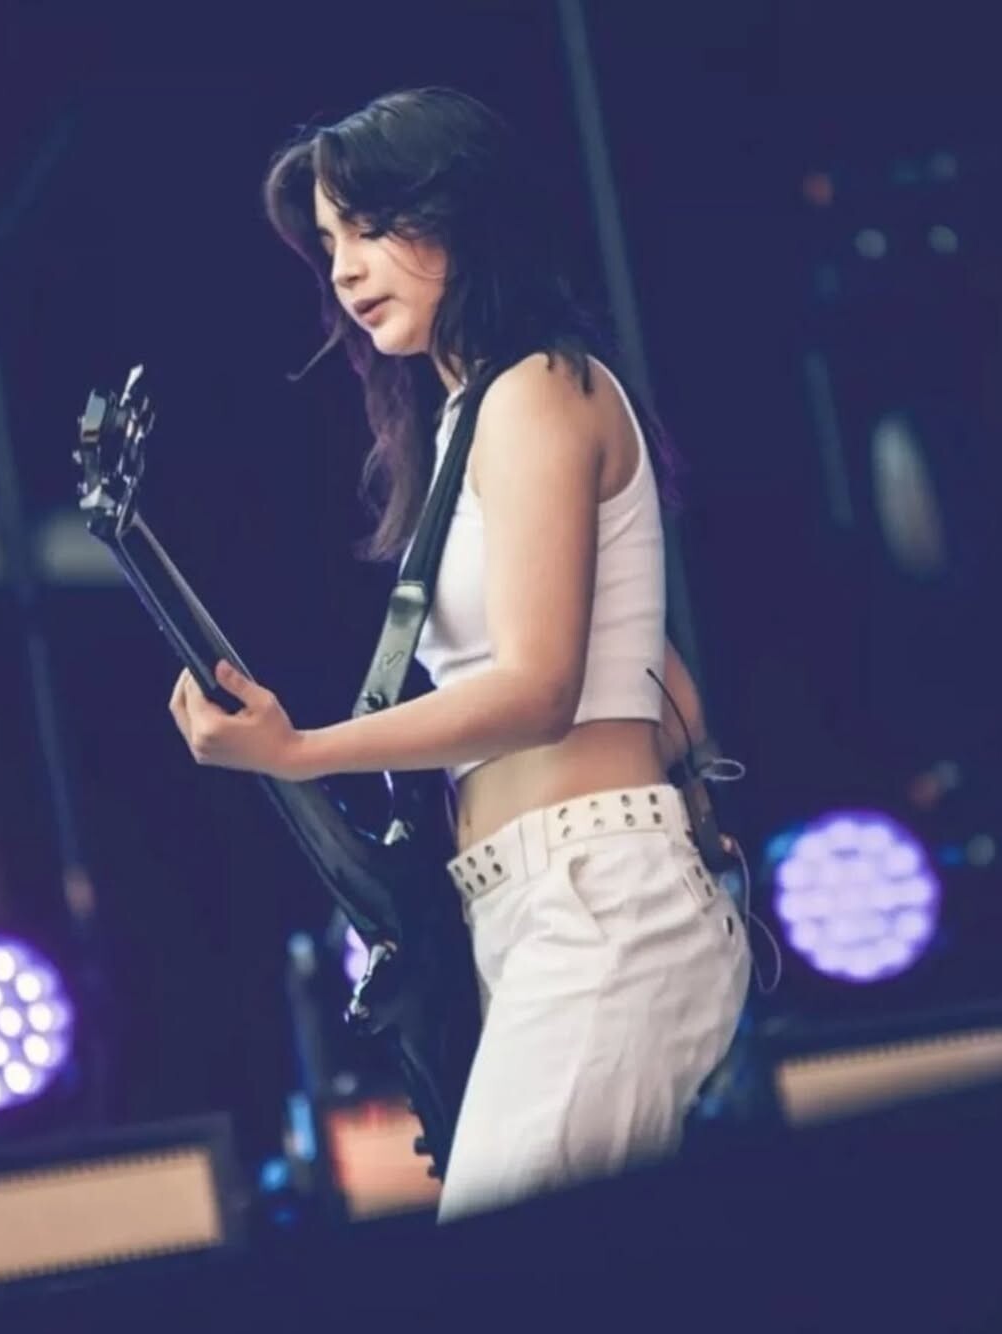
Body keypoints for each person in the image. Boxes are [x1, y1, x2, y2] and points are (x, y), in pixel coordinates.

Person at [168, 86, 750, 1222]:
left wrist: (301, 750)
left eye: (372, 227)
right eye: (329, 242)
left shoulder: (537, 390)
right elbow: (653, 668)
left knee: (507, 1271)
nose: (345, 269)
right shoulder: (471, 416)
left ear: (464, 214)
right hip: (545, 904)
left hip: (598, 903)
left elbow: (536, 689)